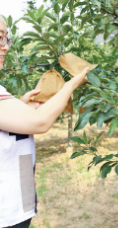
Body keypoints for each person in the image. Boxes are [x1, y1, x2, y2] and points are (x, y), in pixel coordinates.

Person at [0, 16, 90, 228]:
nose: (5, 47)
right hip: (5, 210)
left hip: (19, 198)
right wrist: (71, 85)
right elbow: (40, 123)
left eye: (5, 39)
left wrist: (21, 106)